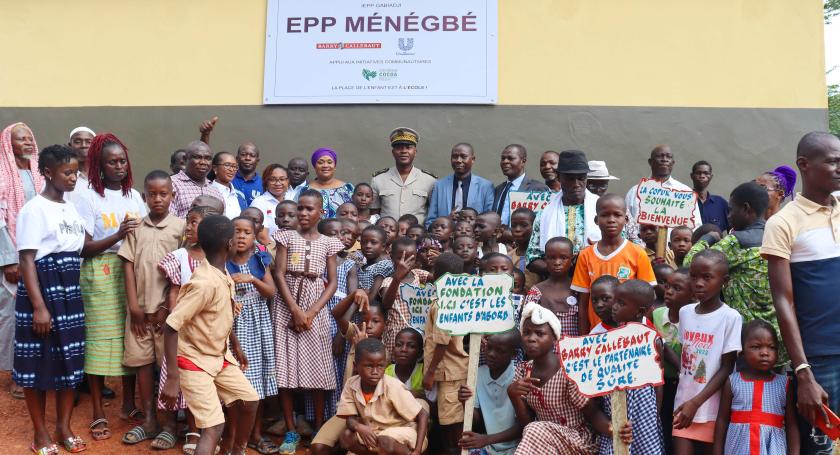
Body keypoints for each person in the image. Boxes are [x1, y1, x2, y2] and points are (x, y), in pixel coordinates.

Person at [761, 132, 840, 453]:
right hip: (821, 359)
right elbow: (783, 300)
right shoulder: (783, 223)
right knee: (823, 448)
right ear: (804, 165)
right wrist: (803, 371)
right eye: (833, 161)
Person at [160, 216, 259, 455]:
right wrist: (172, 377)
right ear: (229, 244)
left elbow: (221, 316)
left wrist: (235, 345)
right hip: (193, 360)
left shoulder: (222, 274)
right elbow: (171, 326)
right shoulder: (204, 283)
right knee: (214, 426)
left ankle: (235, 450)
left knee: (250, 400)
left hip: (219, 355)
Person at [14, 144, 87, 454]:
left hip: (70, 289)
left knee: (70, 359)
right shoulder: (34, 209)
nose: (73, 178)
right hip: (42, 288)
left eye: (76, 172)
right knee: (37, 363)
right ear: (47, 172)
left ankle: (64, 426)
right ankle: (41, 433)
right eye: (67, 172)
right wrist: (39, 307)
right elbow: (27, 259)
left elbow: (79, 249)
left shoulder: (70, 207)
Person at [73, 134, 146, 444]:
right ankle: (98, 410)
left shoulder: (134, 196)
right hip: (100, 272)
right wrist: (117, 234)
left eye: (122, 161)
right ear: (99, 166)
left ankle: (128, 403)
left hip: (131, 271)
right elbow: (83, 247)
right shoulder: (88, 196)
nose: (119, 166)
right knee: (100, 340)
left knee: (131, 335)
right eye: (112, 162)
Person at [271, 189, 344, 454]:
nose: (302, 213)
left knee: (320, 369)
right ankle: (291, 430)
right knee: (286, 369)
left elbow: (333, 282)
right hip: (286, 305)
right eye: (300, 208)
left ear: (321, 213)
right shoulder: (285, 236)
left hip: (316, 307)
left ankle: (319, 428)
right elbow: (279, 274)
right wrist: (295, 310)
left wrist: (311, 312)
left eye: (309, 209)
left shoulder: (329, 242)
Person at [510, 302, 629, 454]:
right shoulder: (522, 370)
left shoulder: (567, 370)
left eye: (540, 334)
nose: (531, 338)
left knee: (535, 428)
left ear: (554, 338)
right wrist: (513, 396)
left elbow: (592, 413)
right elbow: (525, 425)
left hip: (577, 439)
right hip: (544, 440)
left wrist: (616, 430)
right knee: (532, 429)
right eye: (526, 333)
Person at [685, 182, 782, 363]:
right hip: (776, 338)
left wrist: (709, 238)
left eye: (731, 210)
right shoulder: (778, 235)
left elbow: (691, 263)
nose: (728, 216)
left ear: (746, 208)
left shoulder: (734, 242)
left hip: (746, 341)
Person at [149, 205, 209, 451]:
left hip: (205, 330)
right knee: (174, 374)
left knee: (197, 379)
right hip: (181, 328)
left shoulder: (215, 259)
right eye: (189, 221)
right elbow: (174, 290)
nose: (190, 226)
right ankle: (170, 426)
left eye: (196, 223)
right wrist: (174, 317)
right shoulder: (180, 257)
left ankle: (195, 431)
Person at [672, 250, 742, 453]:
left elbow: (727, 368)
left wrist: (696, 403)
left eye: (707, 277)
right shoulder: (685, 313)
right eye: (694, 277)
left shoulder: (730, 317)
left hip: (711, 410)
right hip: (682, 406)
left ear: (724, 281)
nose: (699, 283)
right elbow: (687, 360)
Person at [227, 217, 279, 454]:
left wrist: (253, 279)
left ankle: (254, 434)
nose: (241, 236)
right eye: (236, 231)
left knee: (255, 383)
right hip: (232, 327)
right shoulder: (223, 263)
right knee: (234, 382)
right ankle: (234, 436)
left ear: (254, 237)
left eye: (246, 232)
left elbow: (271, 292)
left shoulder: (259, 260)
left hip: (257, 327)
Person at [571, 194, 656, 333]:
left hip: (629, 334)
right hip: (597, 334)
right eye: (605, 215)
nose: (611, 220)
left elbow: (648, 300)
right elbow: (583, 303)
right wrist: (584, 338)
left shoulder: (638, 253)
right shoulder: (585, 255)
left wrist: (639, 333)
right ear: (596, 220)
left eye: (617, 215)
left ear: (626, 219)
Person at [0, 122, 43, 399]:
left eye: (30, 137)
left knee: (36, 313)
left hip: (39, 255)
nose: (27, 142)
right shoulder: (2, 174)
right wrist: (8, 260)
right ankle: (15, 372)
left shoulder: (38, 173)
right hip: (13, 256)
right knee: (12, 317)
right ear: (7, 143)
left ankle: (35, 370)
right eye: (20, 139)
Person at [713, 320, 799, 455]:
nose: (765, 352)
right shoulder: (733, 381)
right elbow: (722, 421)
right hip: (737, 449)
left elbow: (792, 425)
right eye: (756, 347)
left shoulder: (785, 384)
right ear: (741, 351)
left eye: (771, 347)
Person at [601, 280, 664, 454]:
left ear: (640, 312)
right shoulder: (610, 338)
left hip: (642, 408)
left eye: (621, 303)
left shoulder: (651, 340)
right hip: (615, 403)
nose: (614, 306)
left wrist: (654, 415)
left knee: (643, 447)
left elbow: (658, 382)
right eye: (615, 300)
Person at [337, 338, 429, 455]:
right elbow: (350, 419)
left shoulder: (392, 386)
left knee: (384, 441)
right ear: (356, 366)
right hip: (375, 432)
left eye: (380, 366)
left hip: (403, 432)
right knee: (346, 437)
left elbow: (423, 414)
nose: (375, 371)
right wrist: (359, 427)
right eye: (369, 366)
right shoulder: (351, 384)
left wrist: (417, 450)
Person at [422, 251, 468, 455]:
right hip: (453, 371)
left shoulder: (444, 304)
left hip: (448, 372)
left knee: (452, 427)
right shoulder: (457, 298)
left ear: (438, 275)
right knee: (450, 424)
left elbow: (442, 342)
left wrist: (430, 372)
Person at [527, 150, 600, 276]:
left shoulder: (602, 210)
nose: (576, 184)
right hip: (557, 285)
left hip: (595, 282)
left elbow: (621, 249)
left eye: (581, 178)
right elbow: (532, 259)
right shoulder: (544, 214)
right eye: (570, 179)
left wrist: (596, 254)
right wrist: (560, 269)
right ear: (559, 178)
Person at [457, 330, 521, 455]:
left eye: (500, 351)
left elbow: (523, 426)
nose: (491, 354)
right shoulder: (478, 374)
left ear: (514, 354)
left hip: (518, 447)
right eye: (488, 347)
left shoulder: (519, 377)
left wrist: (486, 439)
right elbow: (475, 421)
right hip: (489, 447)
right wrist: (465, 402)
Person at [624, 145, 702, 241]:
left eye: (668, 157)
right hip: (641, 251)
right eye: (659, 156)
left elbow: (696, 227)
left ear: (673, 163)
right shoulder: (635, 192)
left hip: (676, 253)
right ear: (650, 162)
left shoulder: (686, 192)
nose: (664, 159)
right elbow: (626, 225)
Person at [654, 267, 692, 454]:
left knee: (680, 429)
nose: (668, 291)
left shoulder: (693, 318)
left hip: (685, 386)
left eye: (677, 288)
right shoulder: (656, 315)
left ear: (692, 295)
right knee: (663, 427)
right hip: (662, 386)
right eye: (668, 286)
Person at [371, 128, 437, 224]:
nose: (403, 151)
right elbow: (374, 214)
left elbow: (433, 214)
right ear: (393, 152)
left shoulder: (429, 180)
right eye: (399, 147)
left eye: (408, 147)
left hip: (416, 235)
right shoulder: (378, 179)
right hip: (387, 235)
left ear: (415, 152)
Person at [426, 143, 494, 228]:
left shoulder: (485, 186)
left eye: (463, 156)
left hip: (475, 239)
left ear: (473, 159)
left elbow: (489, 221)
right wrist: (447, 220)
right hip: (445, 238)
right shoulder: (439, 185)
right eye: (454, 156)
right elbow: (430, 221)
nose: (458, 160)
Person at [381, 238, 430, 354]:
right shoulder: (389, 281)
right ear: (391, 257)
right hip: (395, 335)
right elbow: (386, 304)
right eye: (400, 258)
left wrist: (430, 262)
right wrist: (397, 279)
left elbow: (438, 279)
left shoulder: (417, 274)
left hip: (417, 334)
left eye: (410, 258)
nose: (405, 263)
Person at [522, 237, 579, 336]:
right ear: (545, 260)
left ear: (572, 260)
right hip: (546, 350)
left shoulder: (578, 289)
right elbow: (526, 323)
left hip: (574, 349)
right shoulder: (536, 291)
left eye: (563, 258)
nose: (557, 263)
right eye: (552, 258)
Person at [492, 144, 549, 226]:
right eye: (503, 158)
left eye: (510, 158)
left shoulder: (538, 189)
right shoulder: (498, 189)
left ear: (523, 161)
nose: (505, 161)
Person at [169, 141, 223, 218]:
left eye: (208, 158)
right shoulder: (172, 184)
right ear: (185, 159)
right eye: (197, 157)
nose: (203, 162)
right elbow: (169, 221)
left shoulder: (215, 190)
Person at [308, 148, 354, 219]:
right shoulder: (305, 190)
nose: (325, 165)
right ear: (315, 166)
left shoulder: (347, 189)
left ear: (334, 166)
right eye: (320, 162)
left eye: (329, 162)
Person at [350, 226, 394, 300]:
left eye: (373, 242)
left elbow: (372, 297)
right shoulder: (360, 266)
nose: (368, 246)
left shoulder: (384, 265)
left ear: (383, 246)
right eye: (364, 242)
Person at [250, 164, 290, 235]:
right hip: (268, 245)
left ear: (288, 181)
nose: (278, 183)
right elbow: (262, 236)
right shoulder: (259, 203)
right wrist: (275, 246)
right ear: (266, 182)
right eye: (273, 179)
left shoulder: (291, 201)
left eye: (282, 179)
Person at [691, 161, 729, 232]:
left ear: (711, 177)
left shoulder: (721, 203)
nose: (702, 176)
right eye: (698, 173)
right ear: (691, 176)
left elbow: (732, 229)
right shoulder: (684, 201)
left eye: (706, 173)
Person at [210, 151, 244, 219]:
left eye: (235, 166)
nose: (231, 169)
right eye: (227, 165)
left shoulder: (240, 196)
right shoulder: (208, 192)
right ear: (215, 168)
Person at [65, 126, 95, 202]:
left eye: (89, 142)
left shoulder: (103, 175)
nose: (83, 145)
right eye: (77, 142)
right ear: (70, 146)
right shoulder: (64, 177)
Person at [232, 142, 263, 208]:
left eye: (252, 155)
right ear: (237, 159)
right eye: (243, 154)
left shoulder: (264, 184)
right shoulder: (228, 178)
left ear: (257, 161)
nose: (248, 158)